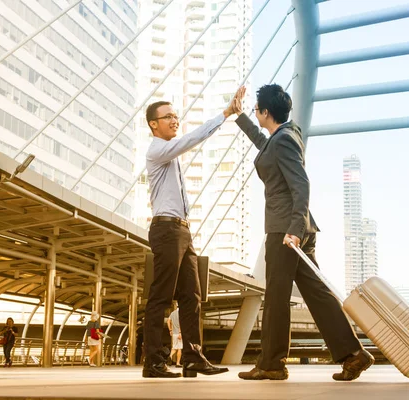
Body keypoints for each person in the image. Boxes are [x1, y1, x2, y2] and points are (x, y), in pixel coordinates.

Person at [234, 84, 375, 381]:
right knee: (317, 294)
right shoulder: (284, 136)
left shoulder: (283, 140)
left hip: (285, 229)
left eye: (254, 110)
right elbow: (264, 144)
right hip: (297, 226)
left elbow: (301, 184)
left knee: (275, 296)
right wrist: (239, 117)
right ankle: (354, 355)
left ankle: (271, 363)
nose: (254, 113)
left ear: (266, 112)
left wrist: (294, 230)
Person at [142, 87, 244, 378]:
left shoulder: (169, 153)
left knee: (192, 295)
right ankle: (154, 362)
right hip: (166, 229)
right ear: (154, 124)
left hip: (181, 231)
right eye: (168, 117)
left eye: (176, 115)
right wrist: (225, 114)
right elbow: (192, 139)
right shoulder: (158, 150)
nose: (175, 120)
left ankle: (193, 358)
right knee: (161, 297)